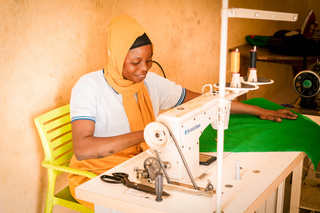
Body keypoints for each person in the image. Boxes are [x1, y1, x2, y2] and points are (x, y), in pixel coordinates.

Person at [68, 15, 298, 209]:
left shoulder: (150, 82)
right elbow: (83, 149)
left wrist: (256, 110)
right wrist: (147, 134)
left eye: (149, 60)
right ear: (116, 56)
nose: (144, 68)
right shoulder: (89, 87)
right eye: (135, 62)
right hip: (95, 176)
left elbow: (205, 100)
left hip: (138, 166)